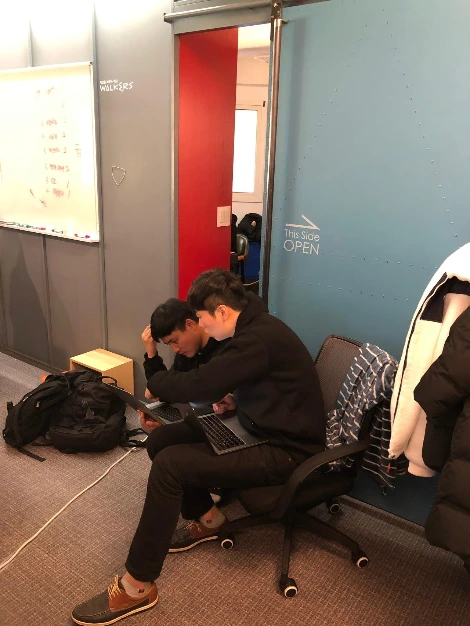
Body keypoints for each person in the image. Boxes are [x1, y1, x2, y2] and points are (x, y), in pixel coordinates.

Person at [72, 269, 325, 625]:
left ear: (221, 311)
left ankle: (137, 586)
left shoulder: (256, 338)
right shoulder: (255, 327)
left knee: (171, 466)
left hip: (286, 450)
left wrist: (158, 379)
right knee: (162, 441)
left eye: (203, 319)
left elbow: (200, 385)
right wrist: (236, 401)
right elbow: (266, 388)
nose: (202, 326)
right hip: (257, 427)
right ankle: (209, 520)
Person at [139, 298, 229, 430]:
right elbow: (164, 390)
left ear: (190, 324)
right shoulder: (187, 353)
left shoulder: (224, 349)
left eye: (175, 341)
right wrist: (152, 355)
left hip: (220, 424)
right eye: (169, 344)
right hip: (194, 418)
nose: (175, 349)